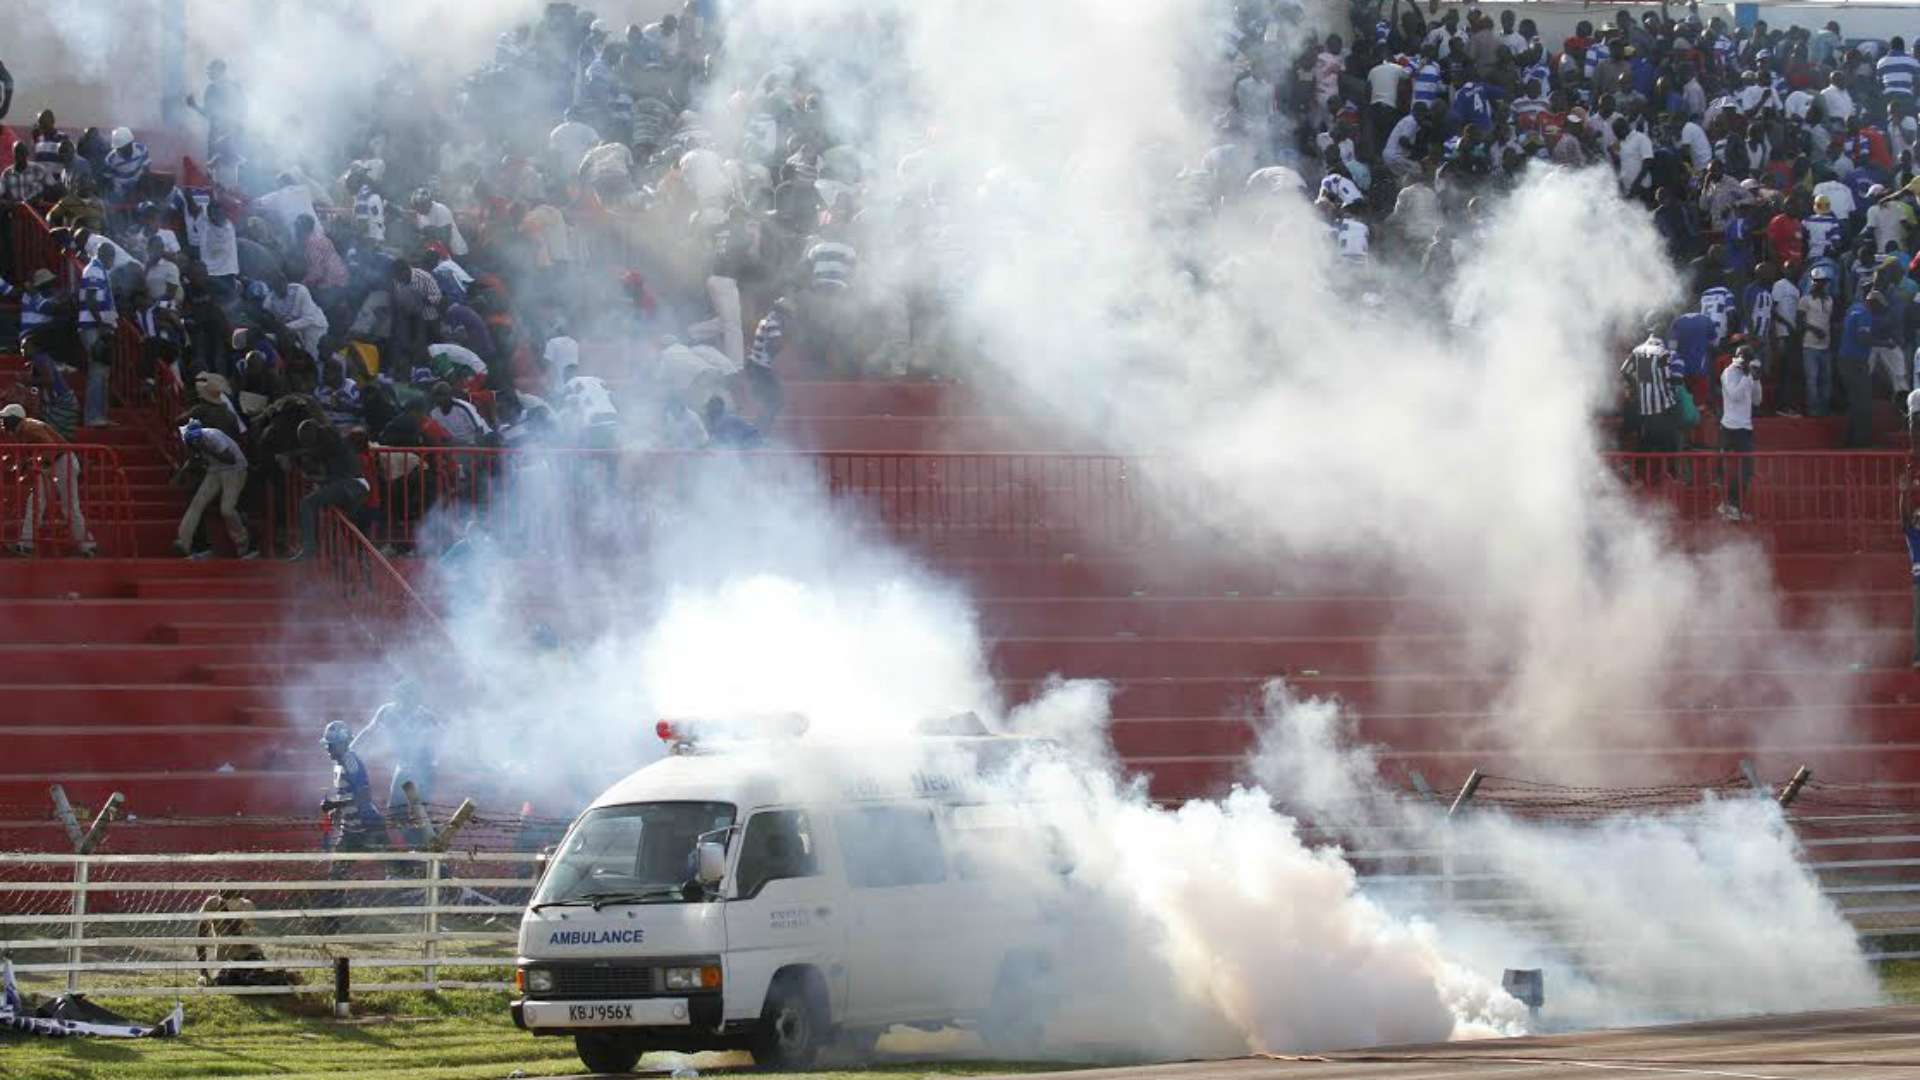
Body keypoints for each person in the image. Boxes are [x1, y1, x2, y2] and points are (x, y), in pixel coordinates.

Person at [354, 679, 445, 849]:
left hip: (422, 768)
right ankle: (420, 843)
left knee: (419, 811)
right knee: (397, 813)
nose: (408, 701)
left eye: (412, 697)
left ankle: (427, 841)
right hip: (404, 766)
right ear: (398, 696)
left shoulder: (425, 716)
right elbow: (369, 731)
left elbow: (443, 736)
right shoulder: (387, 711)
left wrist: (433, 759)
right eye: (404, 696)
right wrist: (351, 749)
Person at [0, 403, 98, 556]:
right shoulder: (23, 430)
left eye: (5, 419)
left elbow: (50, 446)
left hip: (61, 461)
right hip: (53, 462)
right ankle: (26, 545)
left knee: (69, 506)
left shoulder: (28, 426)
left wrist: (42, 465)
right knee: (36, 503)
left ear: (13, 419)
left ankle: (88, 546)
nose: (2, 423)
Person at [174, 420, 253, 559]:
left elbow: (230, 459)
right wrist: (181, 474)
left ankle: (242, 540)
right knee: (196, 504)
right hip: (215, 470)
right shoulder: (189, 439)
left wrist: (207, 448)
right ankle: (183, 542)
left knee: (227, 509)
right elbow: (193, 459)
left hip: (235, 469)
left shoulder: (213, 436)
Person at [291, 418, 368, 559]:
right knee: (344, 529)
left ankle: (309, 547)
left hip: (350, 485)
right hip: (355, 487)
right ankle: (359, 565)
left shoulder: (329, 441)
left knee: (306, 504)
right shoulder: (333, 440)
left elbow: (337, 475)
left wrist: (301, 464)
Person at [1720, 345, 1763, 521]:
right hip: (1730, 427)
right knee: (1733, 470)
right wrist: (1747, 376)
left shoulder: (1749, 374)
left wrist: (1757, 380)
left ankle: (1733, 506)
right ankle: (1729, 506)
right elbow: (1734, 395)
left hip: (1745, 428)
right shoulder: (1729, 372)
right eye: (1744, 358)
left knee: (1746, 470)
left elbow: (1758, 401)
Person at [76, 241, 117, 428]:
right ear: (106, 255)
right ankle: (93, 417)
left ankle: (100, 416)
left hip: (97, 326)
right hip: (93, 327)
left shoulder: (99, 269)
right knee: (98, 371)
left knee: (102, 371)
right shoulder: (94, 269)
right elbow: (91, 300)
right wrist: (102, 325)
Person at [1803, 266, 1837, 417]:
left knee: (1826, 380)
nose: (1821, 284)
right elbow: (1800, 321)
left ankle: (1825, 409)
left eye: (1823, 282)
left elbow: (1831, 320)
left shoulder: (1829, 300)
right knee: (1812, 380)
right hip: (1809, 345)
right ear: (1812, 282)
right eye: (1818, 281)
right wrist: (1815, 329)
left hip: (1826, 345)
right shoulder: (1805, 299)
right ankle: (1813, 410)